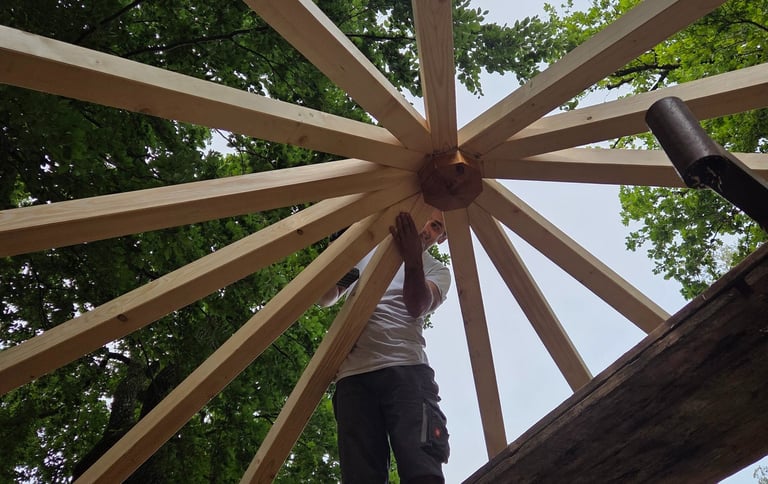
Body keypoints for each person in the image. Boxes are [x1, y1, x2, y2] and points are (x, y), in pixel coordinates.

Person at [318, 209, 452, 484]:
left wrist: (412, 257)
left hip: (406, 371)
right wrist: (339, 251)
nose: (427, 228)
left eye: (436, 226)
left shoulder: (437, 271)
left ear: (443, 238)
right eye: (427, 218)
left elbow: (417, 305)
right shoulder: (368, 251)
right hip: (353, 376)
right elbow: (326, 296)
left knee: (422, 470)